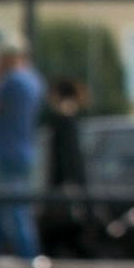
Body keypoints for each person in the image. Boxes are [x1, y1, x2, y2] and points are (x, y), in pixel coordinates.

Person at [0, 43, 45, 268]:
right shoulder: (34, 81)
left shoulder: (11, 81)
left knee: (17, 216)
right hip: (23, 154)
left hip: (8, 156)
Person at [42, 75, 90, 258]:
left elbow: (65, 158)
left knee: (62, 233)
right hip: (68, 186)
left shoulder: (61, 120)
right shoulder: (69, 120)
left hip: (62, 186)